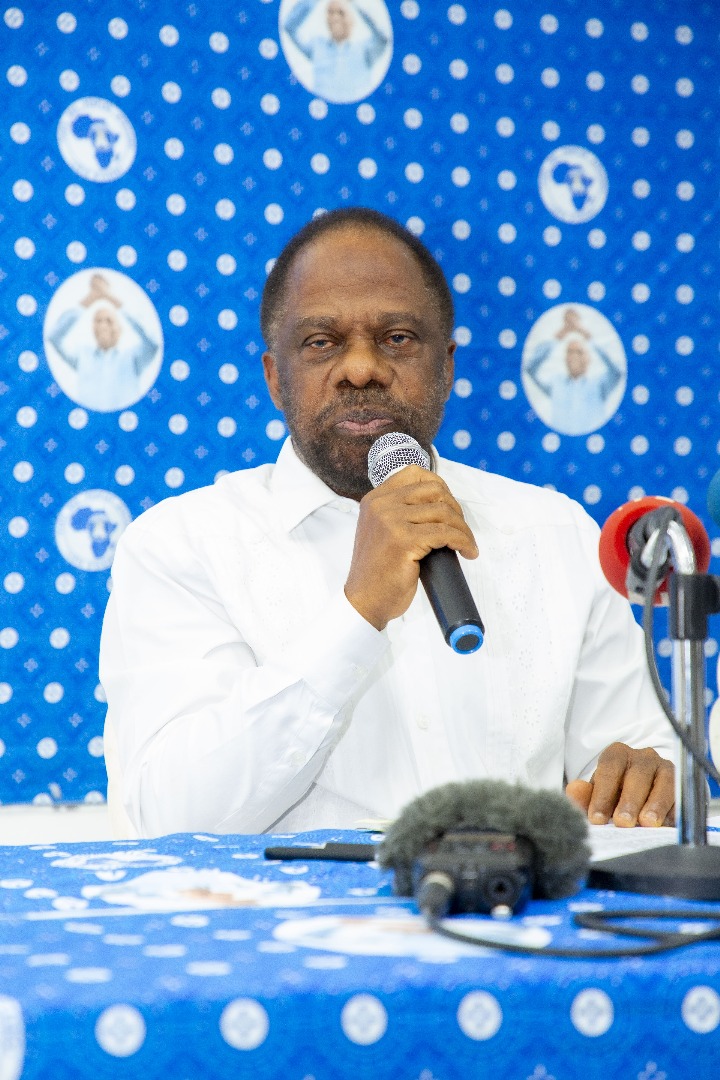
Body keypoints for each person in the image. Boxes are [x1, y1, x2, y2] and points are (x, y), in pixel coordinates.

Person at [99, 207, 675, 840]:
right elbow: (175, 818)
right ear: (274, 378)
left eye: (397, 338)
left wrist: (646, 780)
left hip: (507, 904)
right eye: (321, 342)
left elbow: (637, 765)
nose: (361, 369)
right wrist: (358, 613)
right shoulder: (180, 546)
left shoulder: (556, 535)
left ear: (447, 367)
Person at [46, 273, 158, 412]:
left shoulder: (134, 356)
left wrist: (109, 296)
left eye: (109, 321)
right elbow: (54, 337)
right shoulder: (81, 355)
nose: (103, 326)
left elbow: (153, 341)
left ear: (120, 329)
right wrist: (90, 298)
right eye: (98, 321)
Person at [523, 307, 624, 435]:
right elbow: (530, 368)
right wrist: (559, 335)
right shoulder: (556, 383)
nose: (574, 356)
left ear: (588, 359)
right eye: (569, 352)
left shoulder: (600, 384)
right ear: (565, 358)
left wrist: (586, 335)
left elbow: (617, 371)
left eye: (579, 352)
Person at [282, 0, 390, 103]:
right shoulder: (317, 46)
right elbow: (289, 26)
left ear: (352, 19)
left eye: (341, 13)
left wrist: (355, 3)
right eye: (330, 12)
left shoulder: (365, 50)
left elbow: (383, 37)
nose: (335, 18)